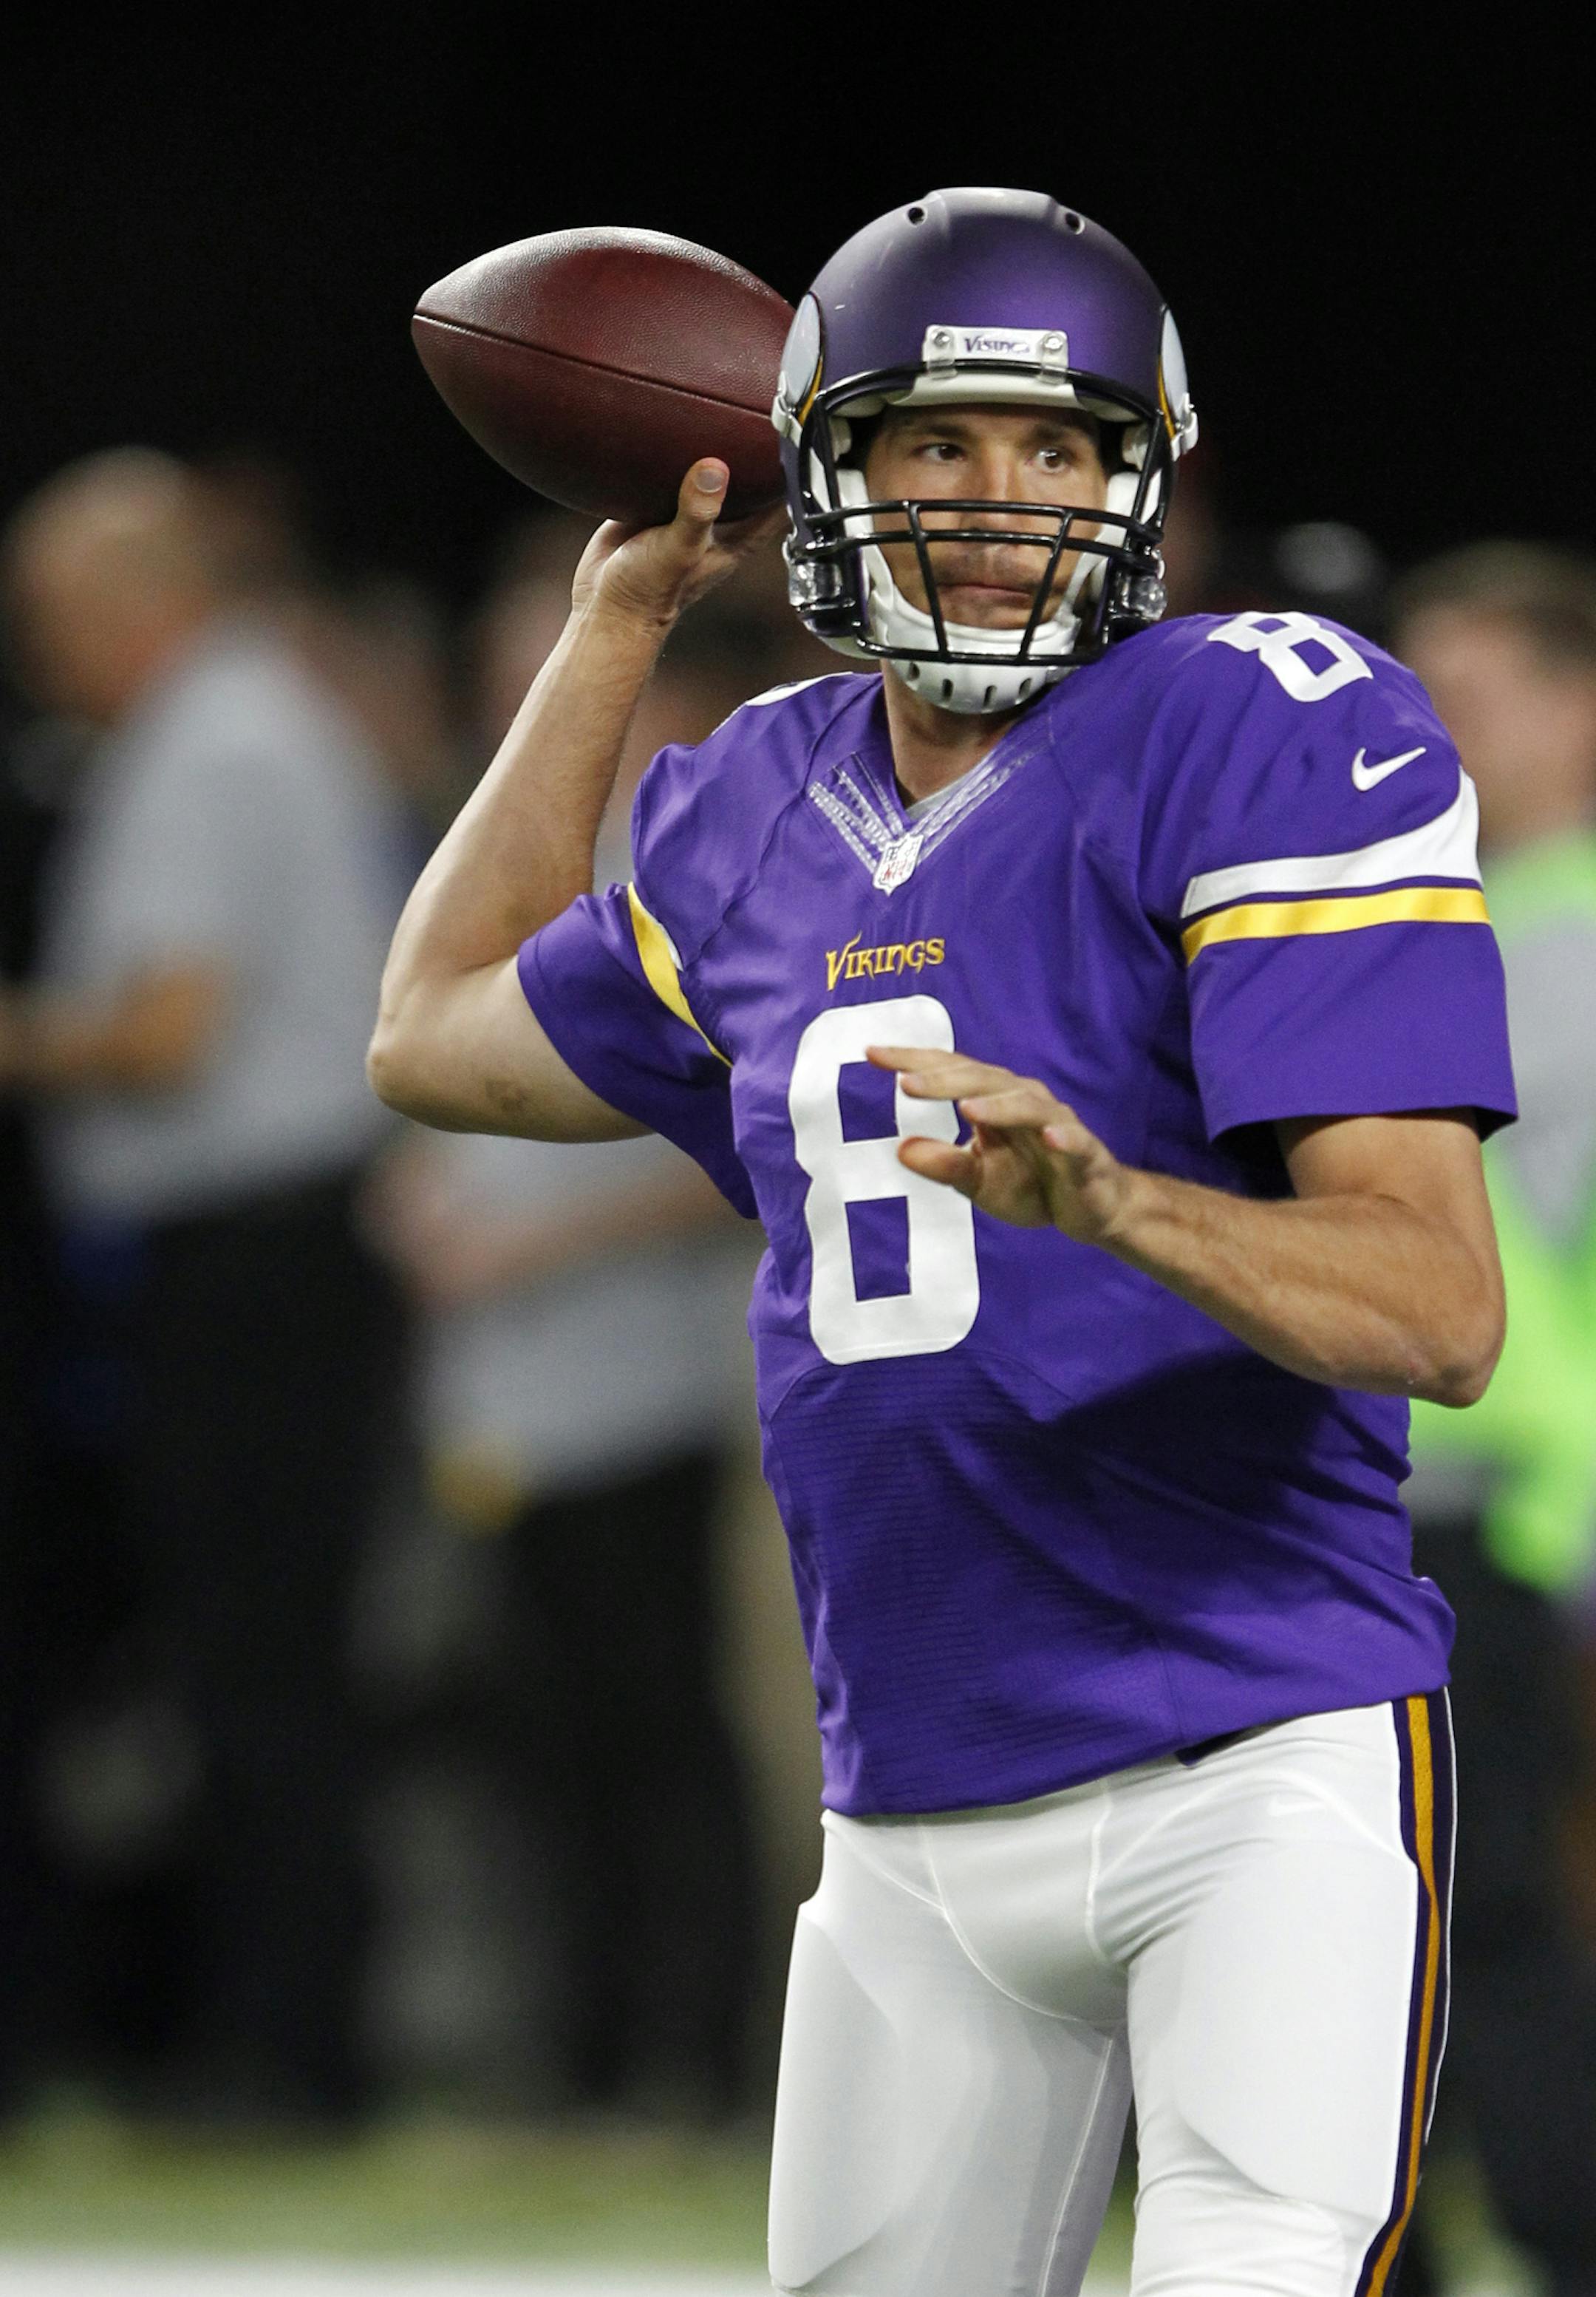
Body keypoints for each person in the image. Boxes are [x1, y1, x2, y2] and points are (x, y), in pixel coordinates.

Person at [369, 188, 1513, 2296]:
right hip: (905, 1802)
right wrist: (612, 622)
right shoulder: (749, 799)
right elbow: (433, 1033)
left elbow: (1438, 1309)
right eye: (941, 443)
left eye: (1062, 449)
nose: (1005, 501)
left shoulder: (1256, 722)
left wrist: (1119, 1200)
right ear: (830, 472)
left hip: (1243, 1758)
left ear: (1143, 479)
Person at [0, 448, 410, 2123]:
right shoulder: (240, 723)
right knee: (261, 1668)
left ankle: (288, 2062)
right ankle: (275, 2046)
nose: (37, 652)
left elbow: (168, 1035)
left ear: (133, 599)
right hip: (275, 1257)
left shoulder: (210, 740)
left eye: (49, 615)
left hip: (258, 1266)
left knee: (259, 1672)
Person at [1389, 543, 1596, 2297]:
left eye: (1468, 694)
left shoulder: (1573, 927)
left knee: (1489, 1901)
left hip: (1510, 1500)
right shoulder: (1453, 916)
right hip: (1434, 1491)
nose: (1432, 733)